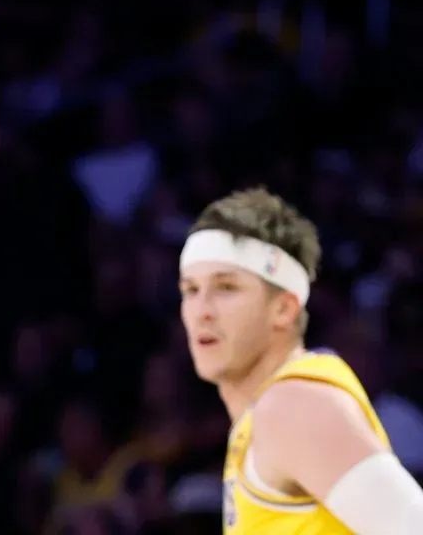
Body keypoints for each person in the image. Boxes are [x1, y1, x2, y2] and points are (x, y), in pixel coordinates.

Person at [178, 187, 423, 534]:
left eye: (227, 288)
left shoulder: (294, 405)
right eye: (191, 290)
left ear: (283, 308)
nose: (202, 310)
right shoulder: (261, 420)